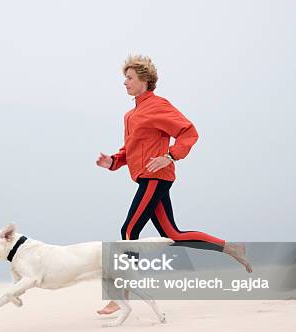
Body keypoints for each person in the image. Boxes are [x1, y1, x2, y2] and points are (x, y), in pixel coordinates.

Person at [96, 55, 252, 315]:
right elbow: (131, 149)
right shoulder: (131, 115)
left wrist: (170, 155)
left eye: (130, 78)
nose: (125, 82)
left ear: (145, 81)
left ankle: (119, 297)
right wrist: (112, 161)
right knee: (174, 235)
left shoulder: (158, 106)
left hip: (156, 177)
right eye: (125, 78)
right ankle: (229, 247)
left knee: (129, 231)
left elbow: (188, 131)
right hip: (147, 177)